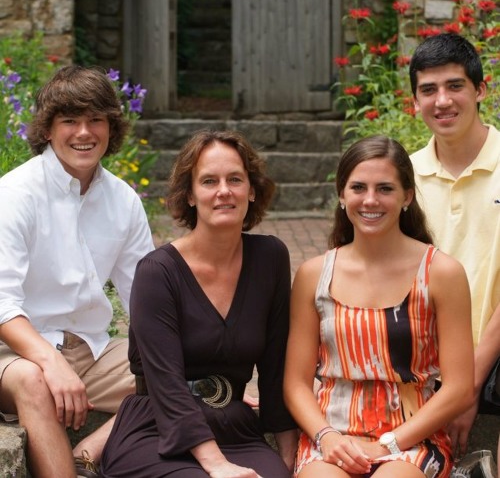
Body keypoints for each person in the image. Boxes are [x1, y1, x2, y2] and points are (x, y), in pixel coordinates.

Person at [98, 129, 298, 477]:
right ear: (190, 195)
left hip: (234, 428)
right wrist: (217, 465)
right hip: (155, 429)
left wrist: (288, 454)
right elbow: (166, 382)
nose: (224, 191)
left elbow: (276, 365)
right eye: (209, 181)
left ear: (251, 190)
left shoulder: (270, 258)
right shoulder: (157, 272)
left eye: (235, 179)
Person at [284, 135, 474, 477]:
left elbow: (459, 388)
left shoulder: (441, 273)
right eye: (358, 187)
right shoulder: (314, 275)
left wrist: (390, 444)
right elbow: (296, 383)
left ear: (407, 196)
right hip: (332, 438)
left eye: (385, 188)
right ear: (342, 194)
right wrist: (326, 436)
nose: (370, 200)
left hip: (412, 439)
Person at [0, 65, 155, 478]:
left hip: (92, 351)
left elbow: (146, 299)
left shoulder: (123, 200)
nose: (84, 132)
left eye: (95, 119)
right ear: (48, 130)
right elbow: (1, 304)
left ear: (111, 127)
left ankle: (88, 452)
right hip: (14, 354)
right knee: (33, 381)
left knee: (185, 375)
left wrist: (197, 367)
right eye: (69, 120)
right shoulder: (14, 194)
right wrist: (51, 363)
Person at [409, 32, 500, 459]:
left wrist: (468, 383)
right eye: (428, 90)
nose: (441, 101)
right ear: (414, 101)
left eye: (454, 86)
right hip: (424, 357)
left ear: (480, 90)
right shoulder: (402, 177)